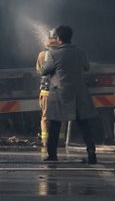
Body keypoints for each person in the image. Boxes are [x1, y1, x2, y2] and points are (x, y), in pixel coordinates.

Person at [40, 25, 97, 164]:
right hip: (79, 93)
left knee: (54, 124)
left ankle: (52, 155)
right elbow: (86, 67)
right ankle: (92, 155)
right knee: (84, 124)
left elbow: (44, 71)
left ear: (58, 38)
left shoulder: (54, 54)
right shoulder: (80, 52)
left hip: (60, 93)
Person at [36, 29, 60, 157]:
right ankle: (59, 140)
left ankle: (45, 141)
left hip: (45, 91)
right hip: (59, 90)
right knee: (59, 117)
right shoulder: (63, 55)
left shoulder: (41, 55)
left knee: (45, 117)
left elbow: (39, 70)